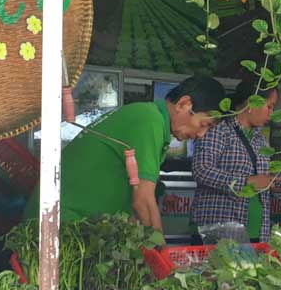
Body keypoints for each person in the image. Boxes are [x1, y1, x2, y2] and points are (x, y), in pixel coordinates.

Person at [25, 76, 225, 229]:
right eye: (203, 124)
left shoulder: (149, 117)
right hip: (60, 224)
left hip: (67, 222)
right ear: (183, 104)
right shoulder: (149, 120)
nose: (201, 134)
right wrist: (161, 255)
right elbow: (143, 201)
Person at [192, 80, 281, 242]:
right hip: (219, 231)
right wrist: (246, 182)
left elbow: (263, 181)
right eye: (269, 106)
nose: (271, 113)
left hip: (257, 233)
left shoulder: (260, 139)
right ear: (252, 102)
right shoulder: (218, 129)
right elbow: (202, 170)